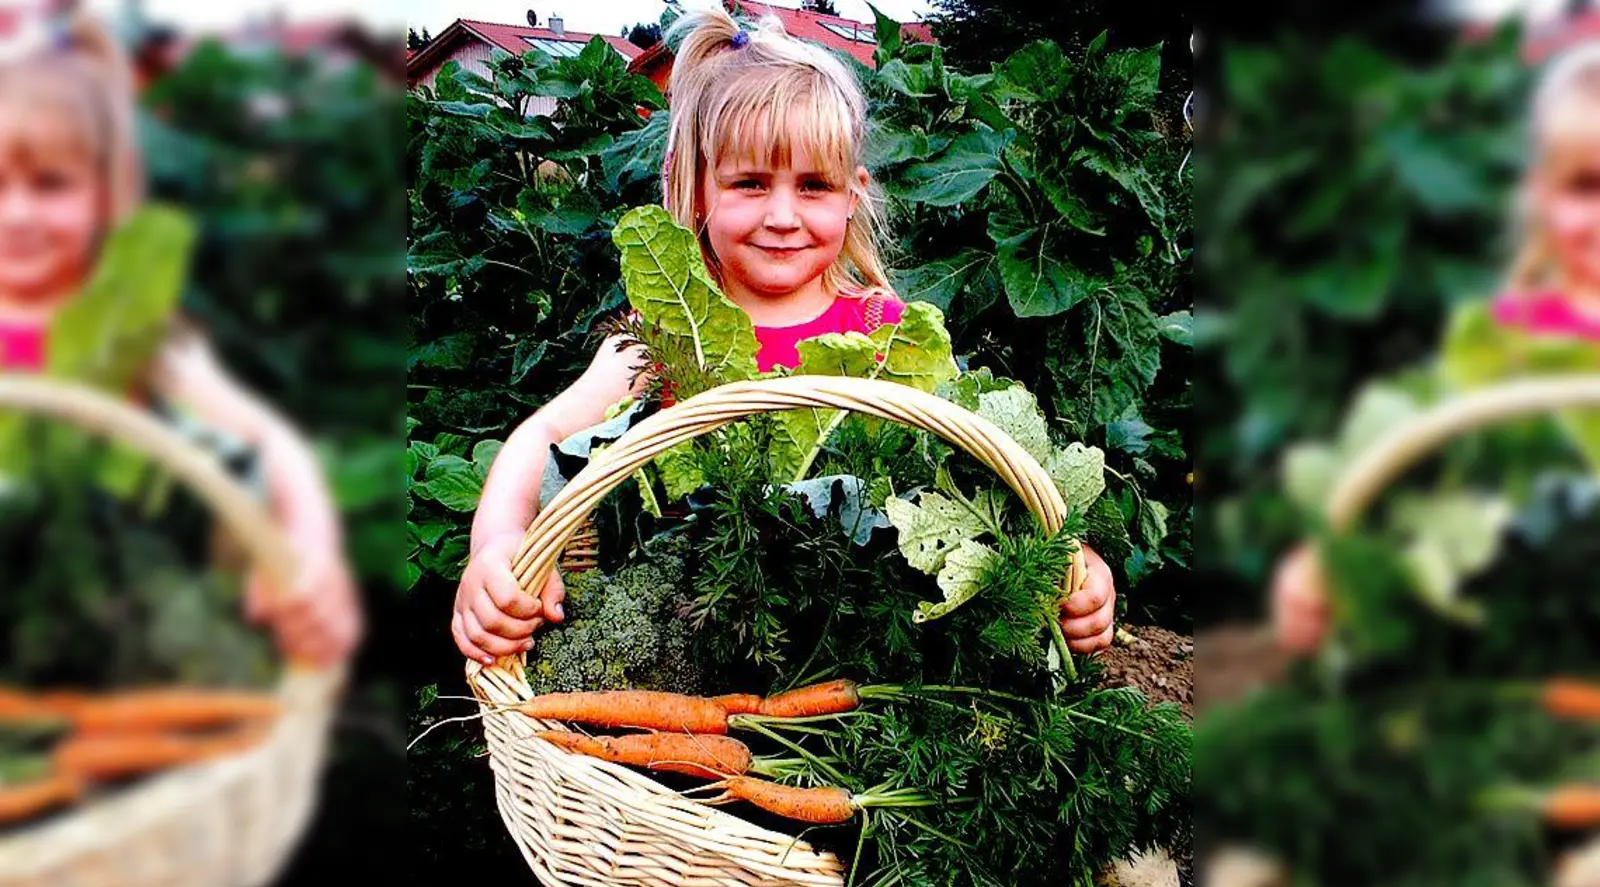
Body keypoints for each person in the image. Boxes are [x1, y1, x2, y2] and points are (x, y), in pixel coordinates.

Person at [452, 7, 1120, 663]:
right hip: (683, 634)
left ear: (853, 194)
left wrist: (1076, 567)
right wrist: (499, 549)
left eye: (813, 186)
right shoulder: (667, 334)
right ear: (698, 191)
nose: (781, 216)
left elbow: (990, 471)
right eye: (748, 183)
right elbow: (539, 441)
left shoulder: (885, 333)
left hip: (853, 647)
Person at [0, 9, 362, 667]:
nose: (17, 214)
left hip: (112, 624)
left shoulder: (130, 322)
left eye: (51, 184)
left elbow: (269, 441)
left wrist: (309, 546)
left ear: (107, 193)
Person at [1271, 40, 1600, 654]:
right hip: (1512, 647)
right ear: (1540, 195)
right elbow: (1402, 472)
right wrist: (1325, 567)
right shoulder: (1498, 340)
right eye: (1585, 186)